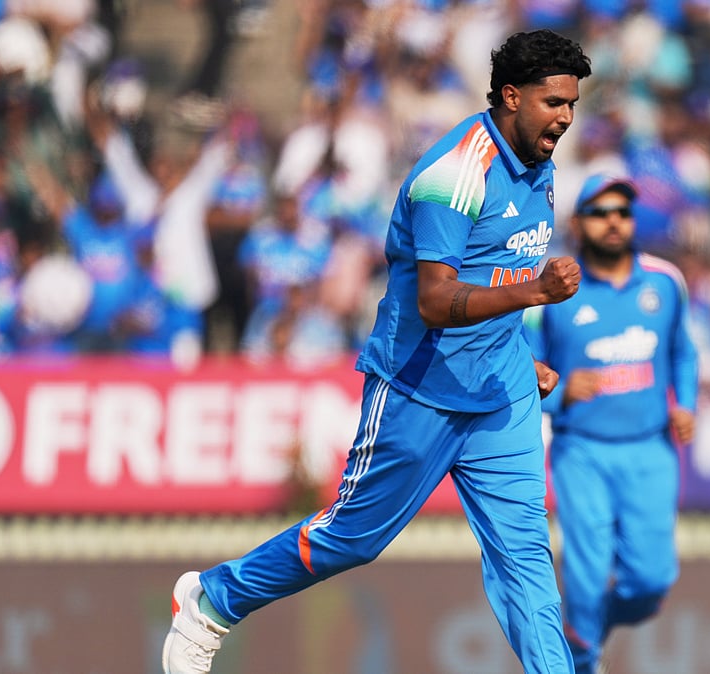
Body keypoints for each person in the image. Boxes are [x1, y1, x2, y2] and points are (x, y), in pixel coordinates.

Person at [162, 29, 592, 674]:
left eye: (571, 105)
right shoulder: (453, 177)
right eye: (553, 102)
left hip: (498, 385)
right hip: (420, 385)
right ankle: (214, 598)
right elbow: (435, 299)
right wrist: (534, 293)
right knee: (351, 540)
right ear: (511, 95)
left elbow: (496, 264)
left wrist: (513, 349)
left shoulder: (539, 163)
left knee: (525, 554)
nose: (563, 118)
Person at [525, 173, 698, 674]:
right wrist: (557, 392)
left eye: (622, 211)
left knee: (650, 582)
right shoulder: (554, 289)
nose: (613, 222)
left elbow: (683, 351)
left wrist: (684, 404)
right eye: (600, 213)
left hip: (651, 449)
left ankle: (583, 637)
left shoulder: (665, 282)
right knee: (585, 575)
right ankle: (580, 661)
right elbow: (522, 371)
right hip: (583, 451)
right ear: (578, 224)